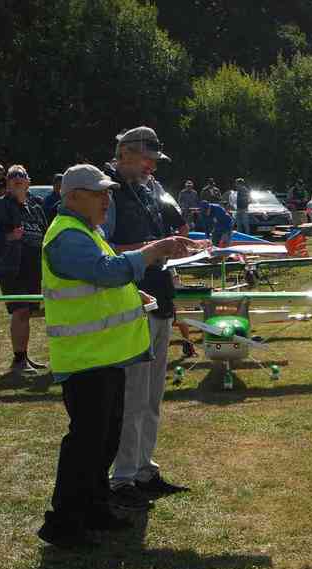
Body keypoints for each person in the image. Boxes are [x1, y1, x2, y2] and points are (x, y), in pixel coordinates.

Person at [37, 163, 195, 549]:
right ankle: (64, 524)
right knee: (86, 443)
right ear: (74, 197)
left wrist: (131, 293)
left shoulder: (88, 231)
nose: (107, 200)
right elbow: (105, 271)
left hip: (103, 356)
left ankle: (94, 508)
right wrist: (152, 251)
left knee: (104, 440)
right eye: (99, 193)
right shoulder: (67, 235)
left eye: (108, 192)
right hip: (84, 358)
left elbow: (100, 281)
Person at [103, 126, 199, 510]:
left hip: (161, 300)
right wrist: (155, 248)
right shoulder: (108, 192)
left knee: (153, 397)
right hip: (132, 305)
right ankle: (123, 478)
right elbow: (104, 252)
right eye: (147, 158)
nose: (152, 167)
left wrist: (179, 249)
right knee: (133, 397)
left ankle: (144, 469)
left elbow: (156, 244)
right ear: (125, 153)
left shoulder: (147, 190)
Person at [0, 165, 48, 376]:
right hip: (11, 266)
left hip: (34, 267)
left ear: (28, 182)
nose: (17, 179)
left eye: (21, 176)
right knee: (20, 310)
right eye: (12, 177)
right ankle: (18, 361)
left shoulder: (36, 205)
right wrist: (7, 237)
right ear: (7, 183)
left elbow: (45, 230)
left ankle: (23, 356)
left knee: (28, 312)